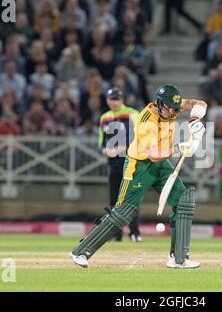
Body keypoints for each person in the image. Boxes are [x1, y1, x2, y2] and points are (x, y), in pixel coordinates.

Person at [70, 84, 207, 269]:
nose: (173, 112)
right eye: (169, 108)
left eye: (175, 108)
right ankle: (81, 251)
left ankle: (179, 258)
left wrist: (194, 120)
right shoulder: (146, 121)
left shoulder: (171, 107)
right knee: (122, 213)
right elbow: (153, 154)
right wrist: (180, 148)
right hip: (139, 166)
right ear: (159, 104)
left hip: (160, 165)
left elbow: (200, 103)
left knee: (183, 200)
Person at [98, 87, 142, 242]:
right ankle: (115, 234)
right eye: (111, 99)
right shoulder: (104, 117)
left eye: (117, 99)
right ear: (107, 100)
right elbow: (101, 141)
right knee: (114, 201)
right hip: (113, 165)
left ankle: (134, 232)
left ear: (122, 99)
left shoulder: (132, 114)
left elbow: (141, 136)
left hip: (130, 163)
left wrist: (123, 148)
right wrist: (106, 151)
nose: (114, 102)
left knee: (131, 199)